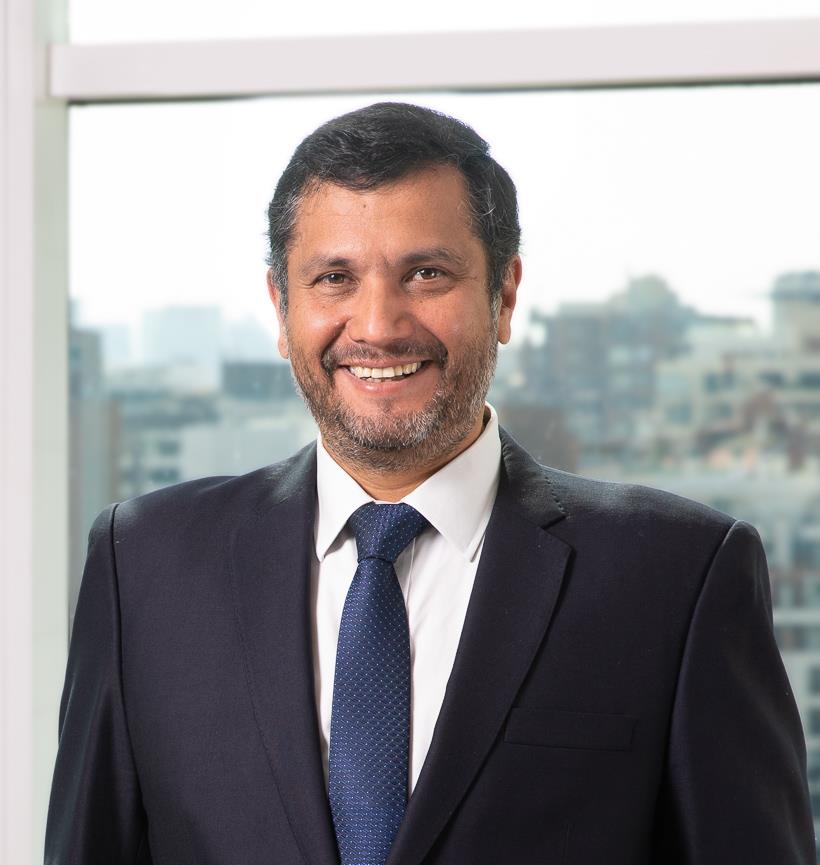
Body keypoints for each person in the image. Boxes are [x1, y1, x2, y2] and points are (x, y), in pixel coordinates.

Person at [45, 102, 814, 865]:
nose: (378, 325)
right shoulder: (142, 568)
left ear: (504, 295)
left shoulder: (680, 577)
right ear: (282, 307)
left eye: (426, 273)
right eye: (335, 277)